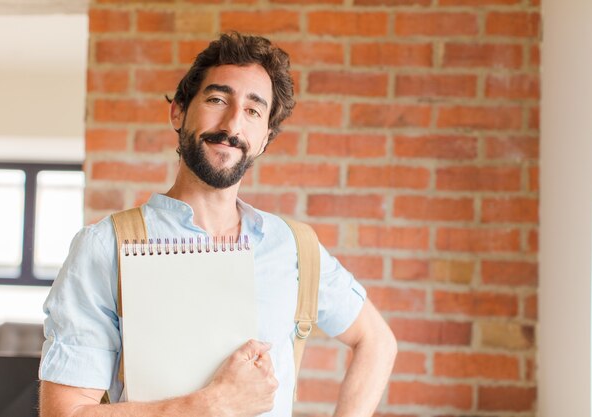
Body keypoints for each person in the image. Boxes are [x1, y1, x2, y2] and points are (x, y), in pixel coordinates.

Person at [39, 32, 397, 417]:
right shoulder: (105, 247)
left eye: (253, 111)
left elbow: (376, 341)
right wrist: (211, 404)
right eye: (217, 99)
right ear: (178, 111)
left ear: (264, 139)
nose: (232, 124)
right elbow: (65, 413)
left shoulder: (295, 248)